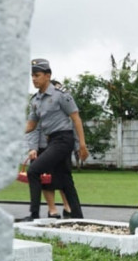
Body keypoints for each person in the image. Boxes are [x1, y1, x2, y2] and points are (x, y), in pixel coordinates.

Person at [19, 59, 88, 221]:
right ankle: (78, 217)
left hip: (64, 139)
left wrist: (82, 145)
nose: (34, 79)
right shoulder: (36, 100)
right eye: (32, 76)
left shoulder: (60, 95)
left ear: (48, 76)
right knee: (65, 179)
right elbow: (31, 125)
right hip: (53, 141)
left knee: (34, 170)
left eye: (37, 75)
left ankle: (34, 215)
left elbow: (76, 118)